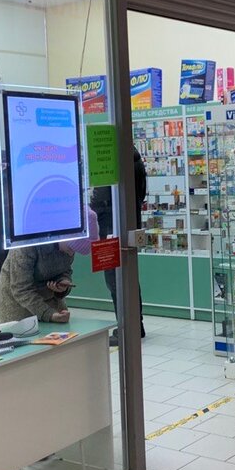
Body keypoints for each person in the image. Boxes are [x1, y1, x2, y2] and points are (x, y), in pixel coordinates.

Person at [0, 205, 99, 323]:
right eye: (70, 248)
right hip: (19, 305)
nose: (71, 253)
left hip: (51, 300)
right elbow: (20, 289)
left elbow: (65, 270)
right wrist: (48, 314)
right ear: (62, 236)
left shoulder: (69, 244)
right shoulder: (27, 242)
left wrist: (63, 283)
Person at [90, 145, 147, 345]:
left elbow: (100, 200)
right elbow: (141, 194)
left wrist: (91, 210)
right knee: (129, 278)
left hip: (111, 229)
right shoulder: (136, 160)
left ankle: (125, 327)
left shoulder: (111, 164)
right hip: (130, 224)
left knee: (115, 281)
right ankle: (136, 324)